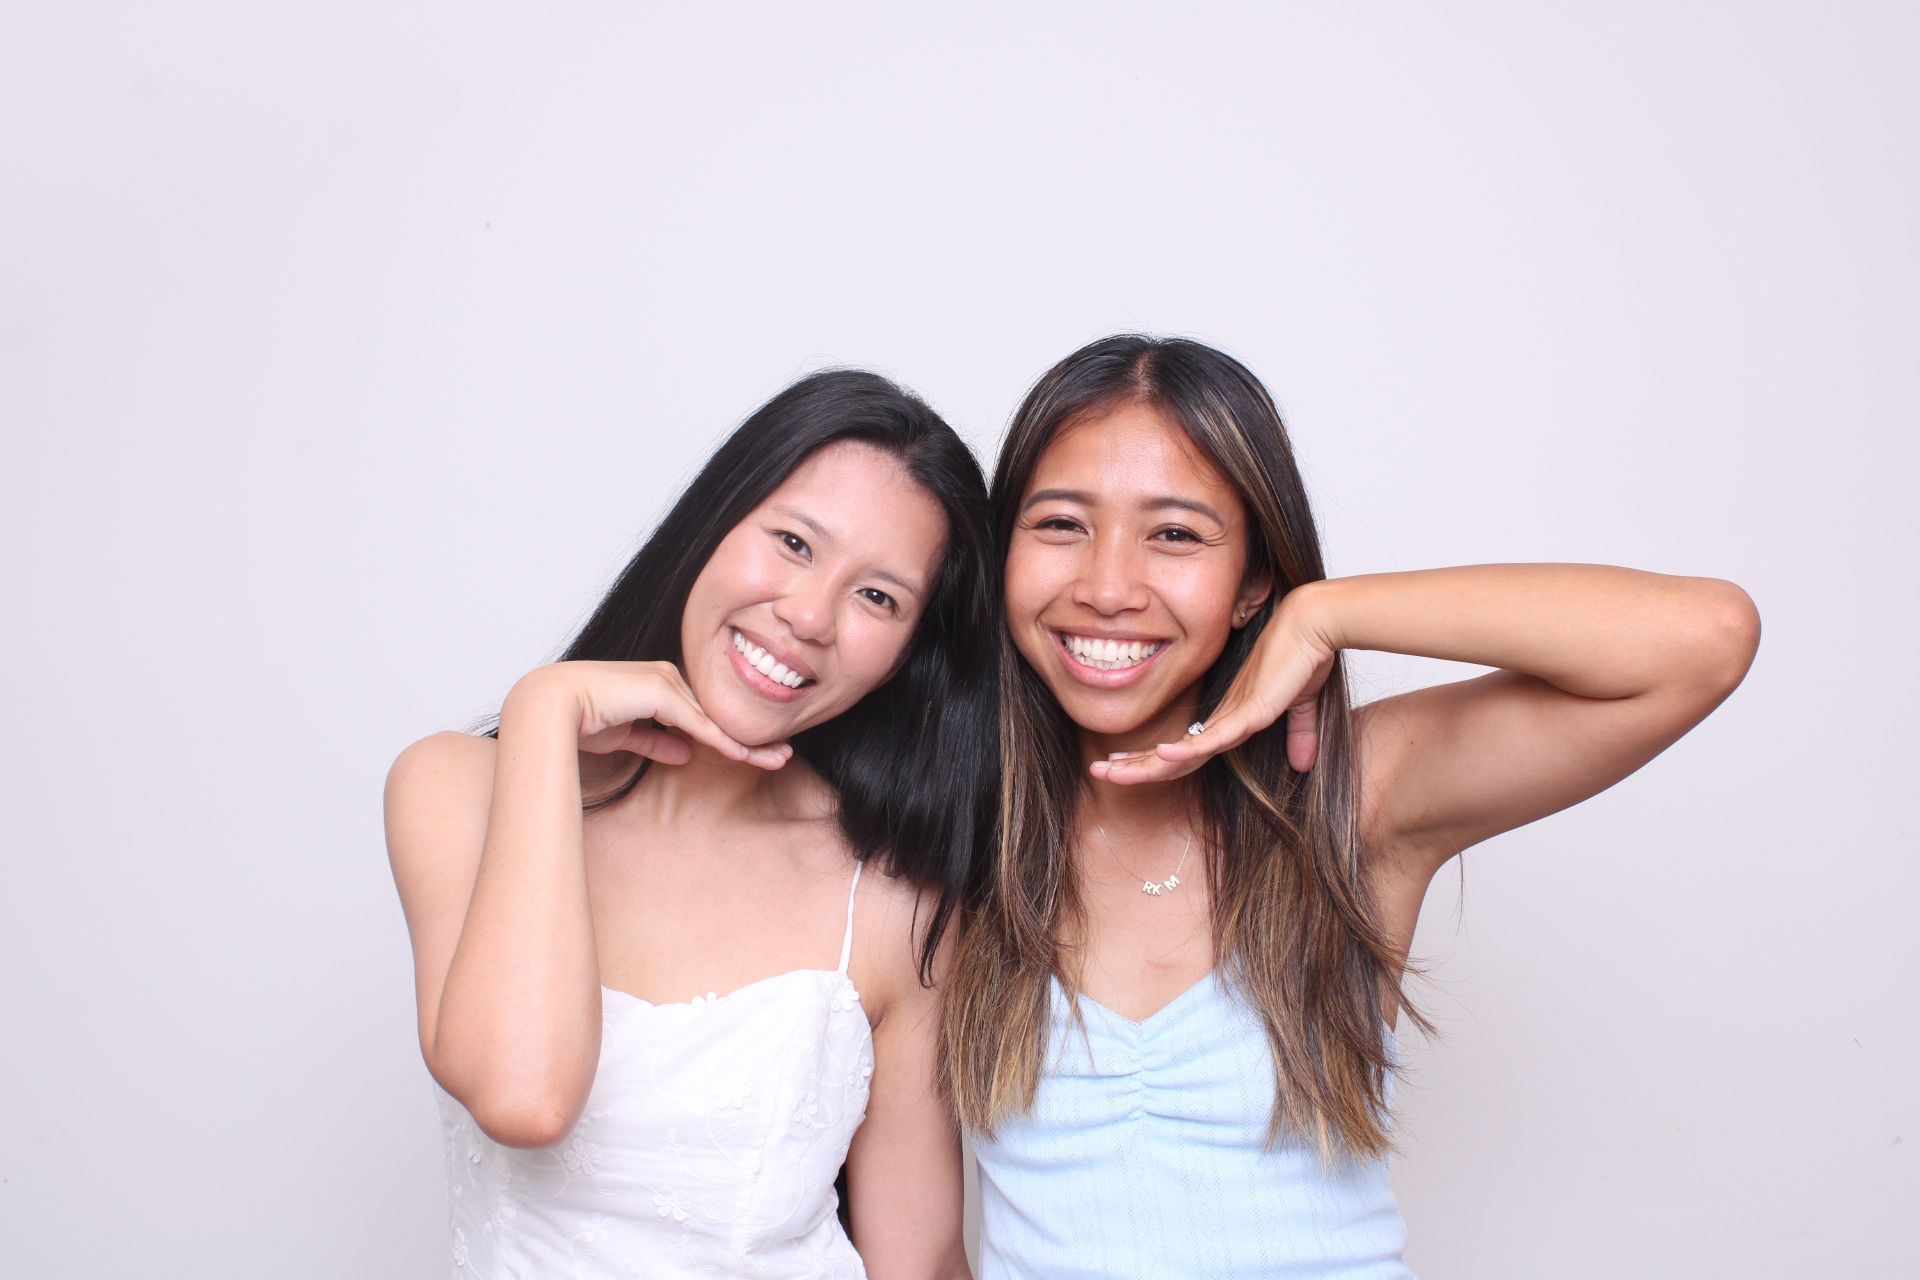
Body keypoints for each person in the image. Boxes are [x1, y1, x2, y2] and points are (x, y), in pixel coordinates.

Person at [941, 335, 1761, 1278]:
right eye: (1060, 524)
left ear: (1253, 584)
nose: (1107, 588)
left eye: (1175, 535)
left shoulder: (1347, 797)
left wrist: (1326, 614)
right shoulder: (954, 829)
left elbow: (1708, 637)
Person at [385, 370, 993, 1279]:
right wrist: (544, 713)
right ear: (713, 523)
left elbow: (922, 1261)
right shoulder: (456, 787)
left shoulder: (892, 901)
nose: (808, 616)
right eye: (794, 542)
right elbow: (524, 1095)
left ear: (908, 655)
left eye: (878, 598)